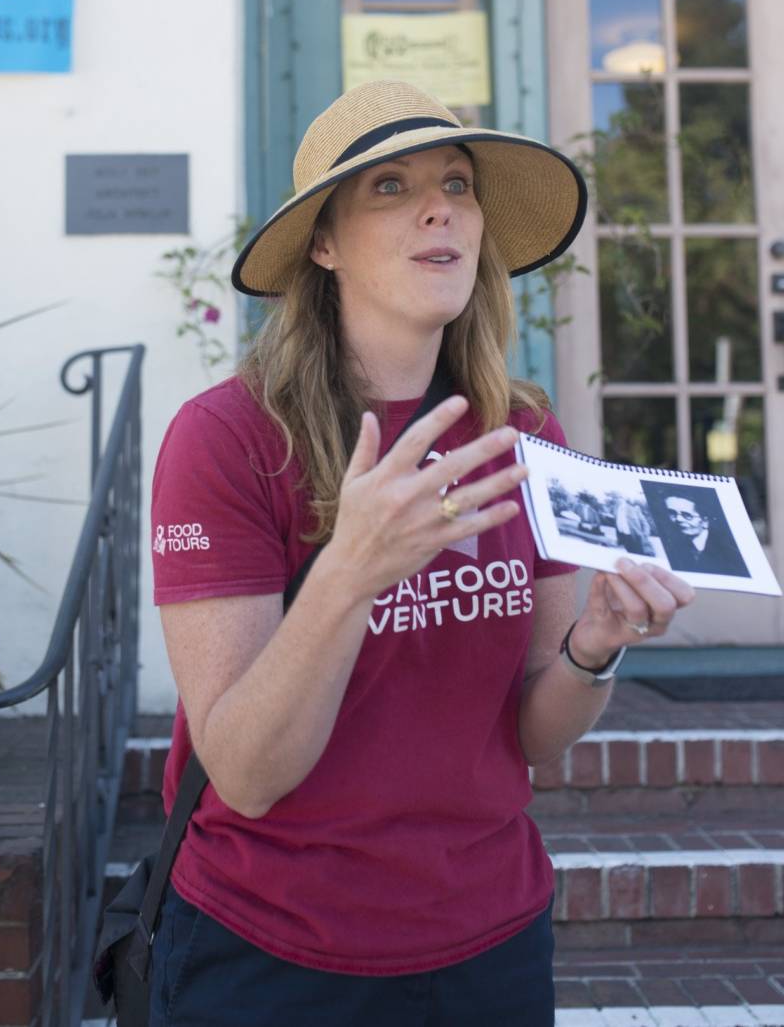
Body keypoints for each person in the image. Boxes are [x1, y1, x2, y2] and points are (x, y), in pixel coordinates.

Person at [149, 80, 694, 1027]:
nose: (441, 204)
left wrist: (596, 645)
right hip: (273, 953)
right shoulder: (228, 440)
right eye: (391, 188)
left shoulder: (521, 430)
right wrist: (352, 569)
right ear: (323, 244)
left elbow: (534, 733)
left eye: (457, 182)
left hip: (492, 945)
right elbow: (245, 770)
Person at [662, 492, 749, 576]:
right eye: (672, 513)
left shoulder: (729, 549)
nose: (678, 519)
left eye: (687, 515)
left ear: (705, 521)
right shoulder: (671, 544)